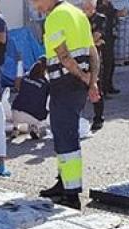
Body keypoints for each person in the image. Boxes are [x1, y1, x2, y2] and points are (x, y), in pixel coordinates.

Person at [34, 0, 100, 210]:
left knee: (65, 136)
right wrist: (92, 81)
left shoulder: (54, 18)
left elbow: (63, 55)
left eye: (36, 2)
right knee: (65, 133)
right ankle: (63, 183)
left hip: (65, 83)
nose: (36, 7)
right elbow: (93, 53)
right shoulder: (78, 14)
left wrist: (82, 77)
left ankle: (71, 193)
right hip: (77, 84)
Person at [11, 57, 50, 140]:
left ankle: (15, 128)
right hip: (34, 116)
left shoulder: (25, 77)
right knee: (40, 104)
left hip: (15, 113)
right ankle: (34, 127)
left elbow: (17, 87)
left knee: (21, 97)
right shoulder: (46, 83)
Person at [83, 0, 107, 131]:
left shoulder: (100, 19)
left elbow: (96, 36)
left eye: (88, 7)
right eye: (84, 6)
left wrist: (86, 43)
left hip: (95, 59)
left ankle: (98, 118)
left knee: (96, 88)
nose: (86, 9)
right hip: (81, 59)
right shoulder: (80, 19)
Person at [98, 0, 128, 95]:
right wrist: (119, 13)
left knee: (111, 64)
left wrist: (121, 13)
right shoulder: (99, 6)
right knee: (105, 64)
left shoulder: (109, 5)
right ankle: (103, 89)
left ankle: (109, 86)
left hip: (111, 37)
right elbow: (110, 14)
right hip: (103, 38)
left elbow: (115, 13)